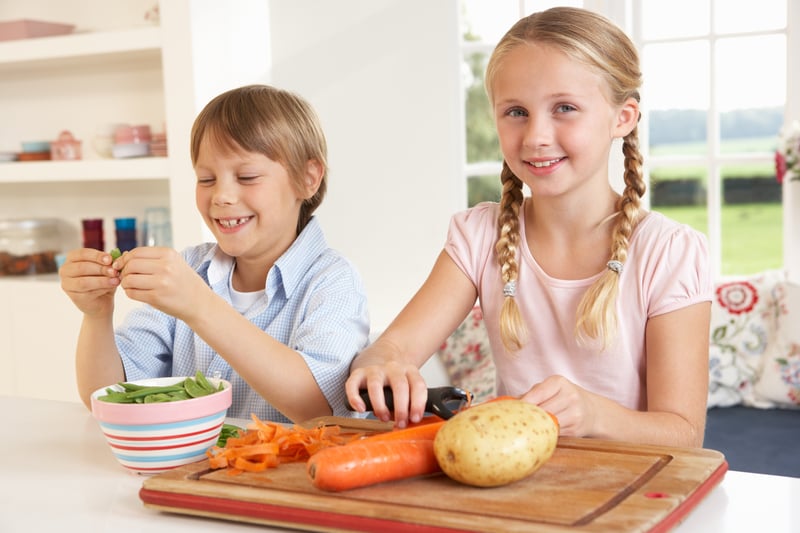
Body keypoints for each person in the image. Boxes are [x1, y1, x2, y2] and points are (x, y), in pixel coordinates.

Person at [346, 7, 712, 448]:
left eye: (564, 108)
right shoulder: (480, 235)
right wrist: (382, 363)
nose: (536, 135)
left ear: (623, 118)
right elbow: (392, 349)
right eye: (516, 111)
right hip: (516, 486)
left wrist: (594, 412)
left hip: (631, 495)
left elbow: (684, 435)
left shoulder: (668, 252)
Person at [61, 84, 370, 423]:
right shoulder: (190, 269)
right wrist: (96, 315)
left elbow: (318, 407)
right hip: (188, 474)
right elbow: (109, 395)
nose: (221, 195)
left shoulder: (332, 281)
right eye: (206, 179)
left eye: (247, 176)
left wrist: (199, 306)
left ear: (308, 178)